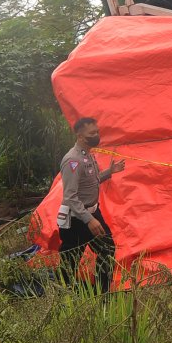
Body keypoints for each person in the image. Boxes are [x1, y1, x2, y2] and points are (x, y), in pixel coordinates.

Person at [57, 116, 125, 291]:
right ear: (80, 136)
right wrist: (89, 219)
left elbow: (91, 181)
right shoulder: (72, 160)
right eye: (92, 133)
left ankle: (102, 293)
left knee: (107, 249)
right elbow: (70, 196)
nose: (97, 135)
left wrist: (110, 172)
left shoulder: (87, 155)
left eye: (97, 132)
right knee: (70, 259)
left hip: (92, 213)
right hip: (76, 219)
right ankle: (62, 295)